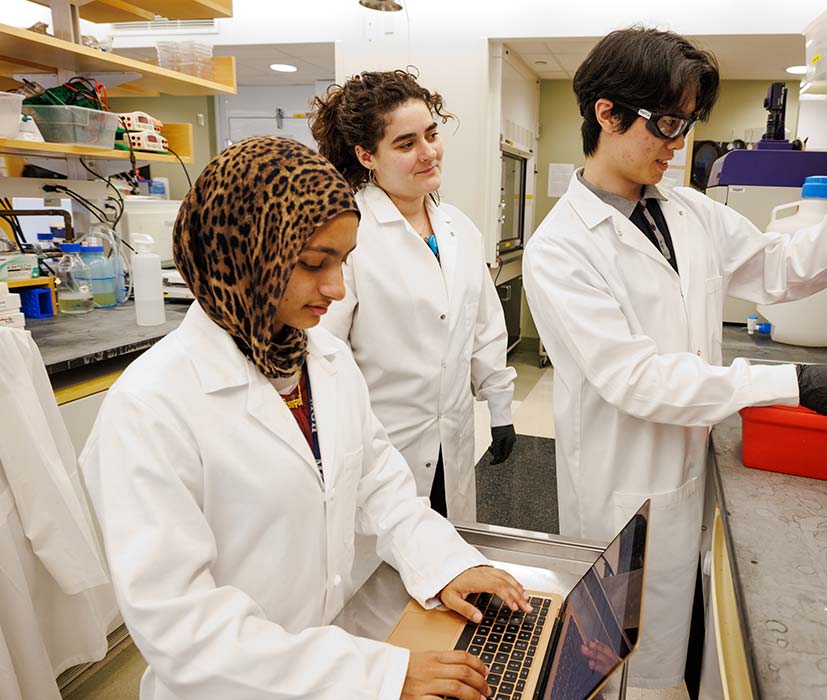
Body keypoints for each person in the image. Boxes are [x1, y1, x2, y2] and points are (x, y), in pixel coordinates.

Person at [522, 28, 827, 693]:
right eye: (668, 122)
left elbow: (778, 269)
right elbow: (637, 379)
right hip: (625, 481)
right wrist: (792, 382)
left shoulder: (688, 212)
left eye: (687, 123)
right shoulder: (560, 249)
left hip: (686, 462)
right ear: (607, 111)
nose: (679, 142)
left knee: (669, 643)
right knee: (623, 664)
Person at [81, 136, 532, 700]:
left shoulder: (324, 360)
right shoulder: (151, 407)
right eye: (314, 263)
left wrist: (445, 563)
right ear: (245, 253)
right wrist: (380, 675)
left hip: (332, 655)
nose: (337, 288)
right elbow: (182, 630)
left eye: (344, 260)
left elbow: (380, 485)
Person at [312, 70, 517, 525]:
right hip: (382, 444)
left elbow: (483, 326)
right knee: (387, 572)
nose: (428, 153)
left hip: (454, 438)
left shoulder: (459, 228)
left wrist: (500, 407)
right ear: (367, 155)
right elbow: (326, 353)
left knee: (449, 555)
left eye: (431, 134)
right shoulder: (349, 234)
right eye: (406, 144)